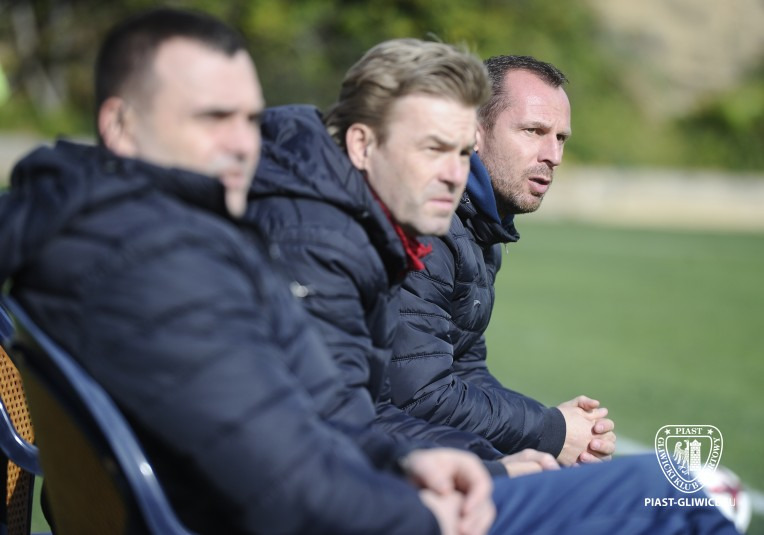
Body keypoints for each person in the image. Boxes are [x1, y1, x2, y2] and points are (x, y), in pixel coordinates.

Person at [0, 9, 496, 534]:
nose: (243, 145)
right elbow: (290, 492)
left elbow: (322, 418)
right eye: (214, 118)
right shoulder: (158, 266)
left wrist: (402, 461)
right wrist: (425, 514)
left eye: (251, 120)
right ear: (120, 127)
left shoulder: (172, 237)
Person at [389, 55, 616, 465]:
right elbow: (419, 394)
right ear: (473, 133)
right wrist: (550, 431)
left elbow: (465, 369)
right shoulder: (426, 223)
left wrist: (556, 428)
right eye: (534, 131)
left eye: (561, 138)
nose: (553, 155)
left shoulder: (479, 228)